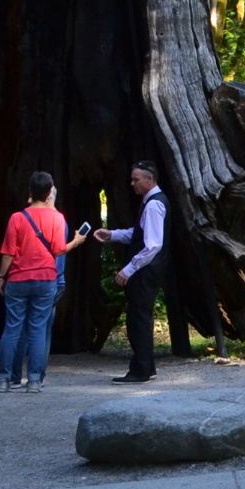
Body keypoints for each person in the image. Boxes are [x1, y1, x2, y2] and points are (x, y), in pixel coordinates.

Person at [0, 172, 91, 394]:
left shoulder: (17, 218)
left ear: (30, 193)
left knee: (12, 329)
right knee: (37, 330)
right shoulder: (57, 218)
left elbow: (8, 253)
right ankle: (34, 380)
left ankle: (4, 379)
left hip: (17, 280)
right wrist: (76, 240)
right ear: (49, 194)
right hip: (46, 280)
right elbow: (58, 250)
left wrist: (1, 277)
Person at [93, 160, 168, 383]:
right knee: (139, 318)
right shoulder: (151, 202)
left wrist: (129, 269)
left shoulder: (154, 205)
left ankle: (141, 370)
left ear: (149, 179)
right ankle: (146, 366)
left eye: (136, 179)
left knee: (138, 320)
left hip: (145, 272)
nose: (132, 183)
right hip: (148, 270)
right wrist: (113, 235)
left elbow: (153, 244)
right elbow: (139, 233)